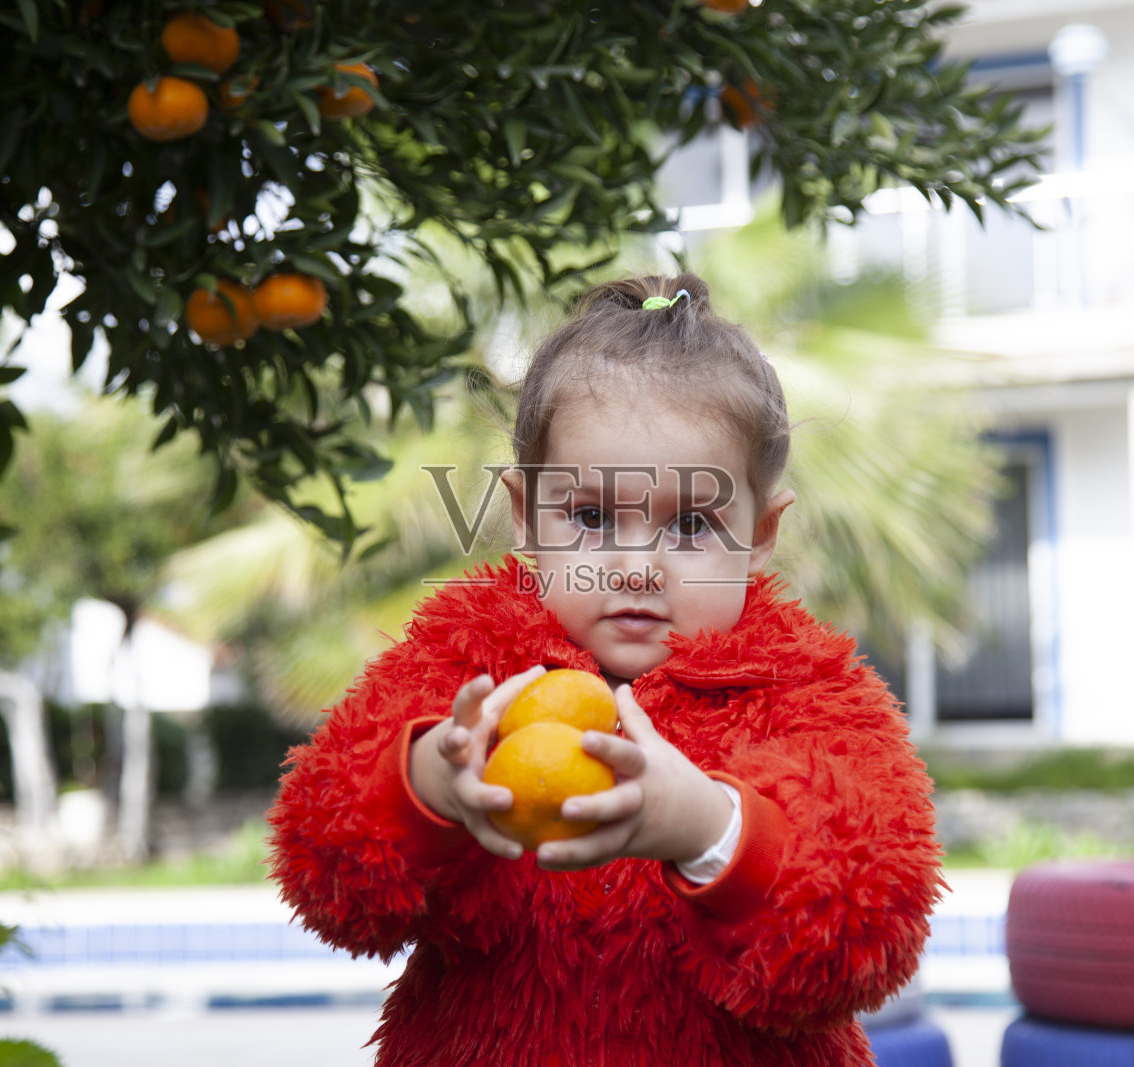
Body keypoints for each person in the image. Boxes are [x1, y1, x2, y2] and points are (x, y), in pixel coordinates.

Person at [268, 273, 943, 1067]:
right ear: (525, 515)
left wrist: (708, 827)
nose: (634, 567)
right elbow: (324, 861)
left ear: (761, 532)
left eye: (691, 524)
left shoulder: (803, 686)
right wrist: (429, 783)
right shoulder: (467, 662)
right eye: (590, 517)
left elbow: (872, 917)